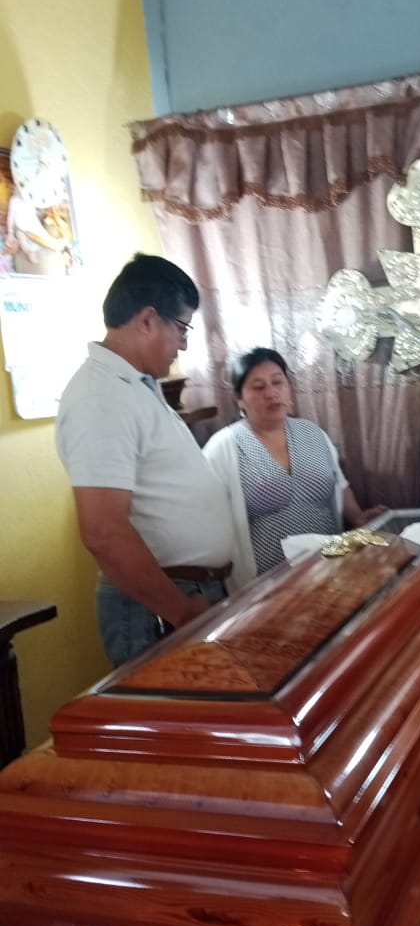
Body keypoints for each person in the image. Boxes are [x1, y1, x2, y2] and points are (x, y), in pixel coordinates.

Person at [56, 252, 234, 666]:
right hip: (157, 607)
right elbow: (102, 531)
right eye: (182, 327)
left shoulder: (136, 386)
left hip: (185, 595)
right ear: (148, 319)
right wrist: (181, 611)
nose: (184, 344)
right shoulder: (101, 396)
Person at [203, 347, 382, 592]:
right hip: (266, 585)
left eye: (278, 382)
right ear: (239, 398)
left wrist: (359, 517)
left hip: (330, 568)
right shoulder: (223, 448)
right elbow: (208, 519)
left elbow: (339, 485)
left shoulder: (312, 433)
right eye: (258, 387)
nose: (271, 393)